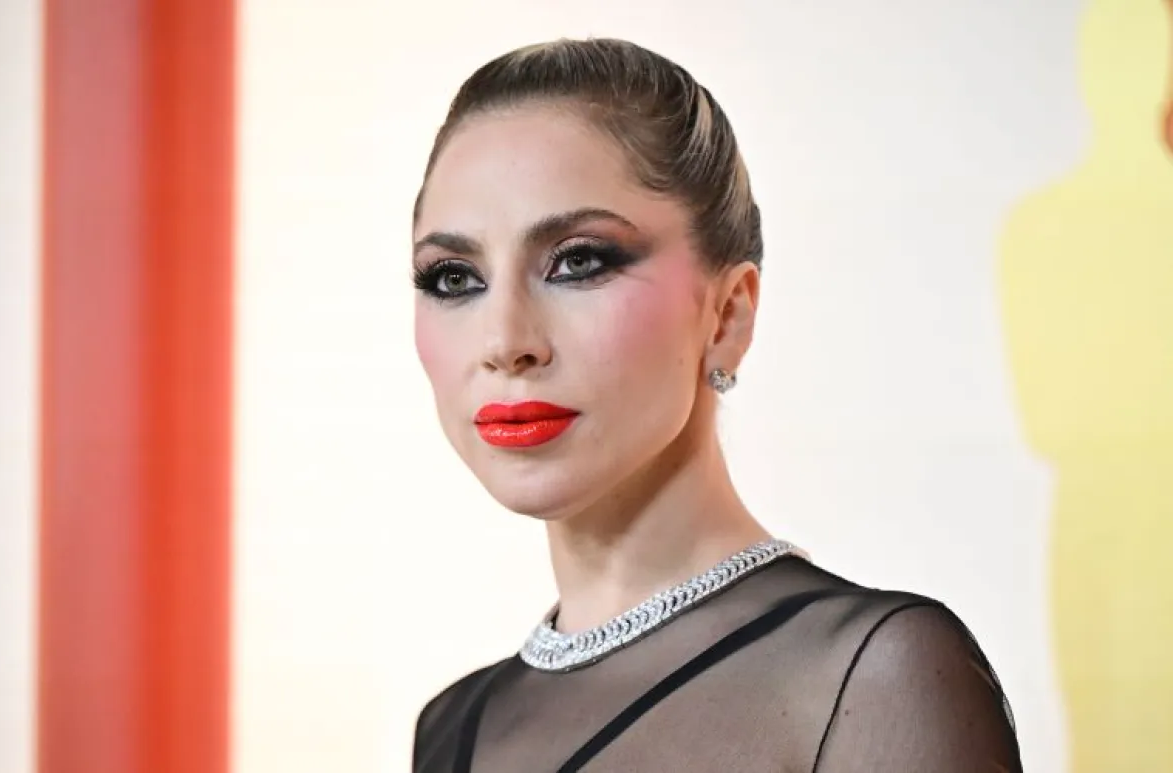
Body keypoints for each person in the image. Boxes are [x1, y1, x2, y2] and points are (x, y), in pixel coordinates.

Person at [409, 37, 1022, 773]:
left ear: (728, 314)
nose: (506, 340)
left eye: (578, 260)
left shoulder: (873, 677)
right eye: (453, 278)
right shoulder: (450, 728)